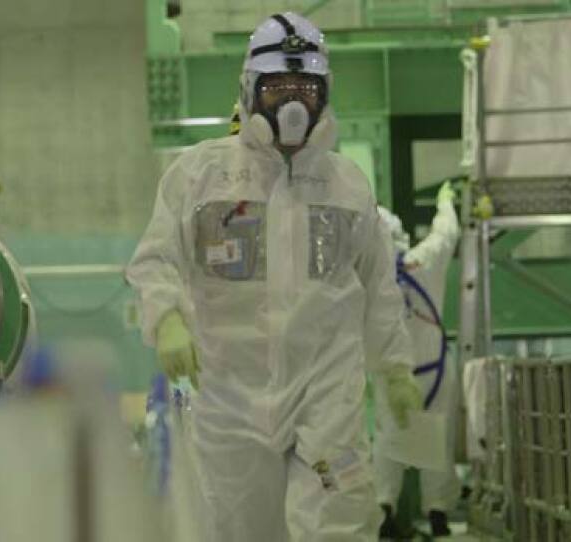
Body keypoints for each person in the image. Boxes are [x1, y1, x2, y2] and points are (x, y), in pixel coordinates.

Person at [127, 12, 422, 541]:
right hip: (229, 396)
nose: (292, 105)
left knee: (337, 518)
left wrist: (396, 368)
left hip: (325, 394)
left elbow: (379, 288)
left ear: (324, 94)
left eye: (305, 89)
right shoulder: (201, 175)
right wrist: (166, 319)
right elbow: (156, 258)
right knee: (239, 528)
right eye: (278, 89)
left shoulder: (346, 185)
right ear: (250, 90)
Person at [373, 182, 462, 539]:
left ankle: (384, 508)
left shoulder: (369, 278)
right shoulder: (425, 259)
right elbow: (446, 232)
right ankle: (438, 511)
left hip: (391, 372)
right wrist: (445, 202)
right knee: (436, 438)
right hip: (435, 369)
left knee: (388, 438)